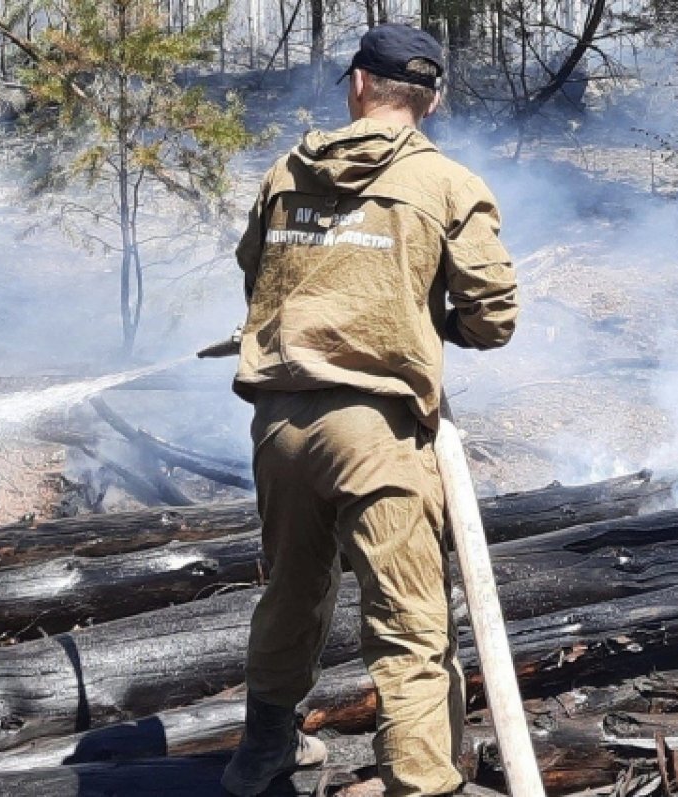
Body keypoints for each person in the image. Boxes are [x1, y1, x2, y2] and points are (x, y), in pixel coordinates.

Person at [223, 23, 518, 797]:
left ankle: (261, 757)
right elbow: (494, 315)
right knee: (410, 619)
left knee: (291, 590)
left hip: (282, 424)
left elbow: (256, 278)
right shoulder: (448, 183)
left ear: (358, 85)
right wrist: (434, 321)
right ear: (434, 99)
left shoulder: (285, 172)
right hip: (378, 433)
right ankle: (421, 782)